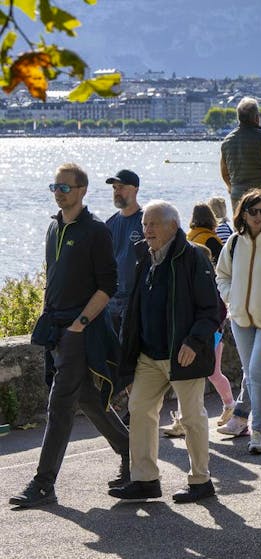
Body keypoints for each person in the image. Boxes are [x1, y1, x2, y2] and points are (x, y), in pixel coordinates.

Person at [10, 164, 131, 509]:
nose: (59, 193)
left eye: (65, 187)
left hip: (81, 329)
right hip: (56, 327)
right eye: (55, 187)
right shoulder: (54, 227)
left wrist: (80, 323)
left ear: (82, 190)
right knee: (87, 398)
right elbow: (54, 278)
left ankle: (43, 483)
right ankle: (130, 450)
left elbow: (108, 285)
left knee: (60, 402)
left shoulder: (96, 231)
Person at [110, 200, 219, 503]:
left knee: (192, 417)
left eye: (153, 224)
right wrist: (129, 358)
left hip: (182, 353)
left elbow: (212, 310)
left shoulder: (193, 257)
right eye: (145, 224)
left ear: (173, 226)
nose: (147, 230)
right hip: (148, 355)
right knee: (139, 409)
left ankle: (201, 481)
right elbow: (135, 310)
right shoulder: (144, 257)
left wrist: (193, 342)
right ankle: (145, 480)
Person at [215, 189, 261, 452]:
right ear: (243, 214)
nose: (258, 216)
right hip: (240, 320)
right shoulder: (234, 243)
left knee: (256, 372)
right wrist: (230, 296)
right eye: (252, 211)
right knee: (251, 374)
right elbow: (221, 275)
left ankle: (258, 430)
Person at [160, 204, 235, 438]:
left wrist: (214, 330)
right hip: (202, 333)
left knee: (212, 374)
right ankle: (184, 421)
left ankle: (230, 405)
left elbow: (218, 311)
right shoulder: (205, 246)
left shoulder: (209, 285)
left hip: (212, 334)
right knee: (188, 377)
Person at [104, 169, 144, 333]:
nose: (117, 192)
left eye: (121, 187)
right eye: (114, 188)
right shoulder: (110, 223)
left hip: (136, 300)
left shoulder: (146, 221)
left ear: (135, 189)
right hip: (111, 301)